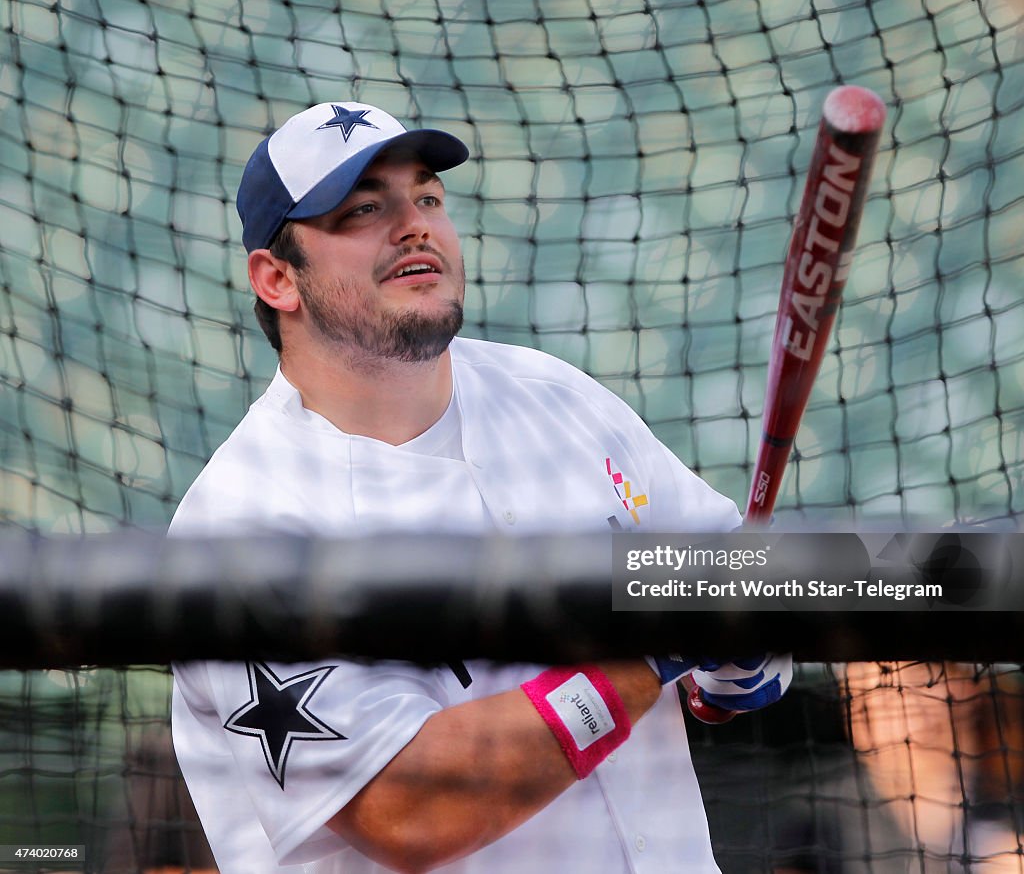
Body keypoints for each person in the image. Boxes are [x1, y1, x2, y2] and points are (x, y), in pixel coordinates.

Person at [169, 101, 793, 873]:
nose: (415, 224)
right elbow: (406, 809)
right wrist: (654, 652)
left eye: (427, 196)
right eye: (365, 209)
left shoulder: (554, 395)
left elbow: (726, 569)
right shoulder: (245, 520)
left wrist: (742, 655)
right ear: (276, 278)